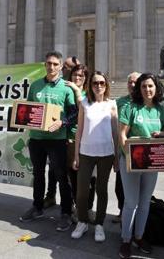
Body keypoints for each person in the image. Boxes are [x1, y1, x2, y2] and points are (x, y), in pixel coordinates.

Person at [118, 73, 164, 259]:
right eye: (144, 86)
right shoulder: (130, 107)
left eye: (150, 86)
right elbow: (122, 134)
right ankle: (126, 240)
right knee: (131, 202)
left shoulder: (162, 111)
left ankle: (139, 236)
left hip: (151, 162)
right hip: (131, 160)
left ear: (157, 88)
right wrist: (130, 155)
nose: (147, 89)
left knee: (144, 202)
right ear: (139, 89)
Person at [19, 51, 77, 232]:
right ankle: (37, 207)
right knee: (38, 174)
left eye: (54, 64)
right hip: (36, 139)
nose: (51, 67)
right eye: (48, 63)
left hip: (57, 140)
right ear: (45, 65)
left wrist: (63, 122)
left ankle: (66, 213)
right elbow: (28, 110)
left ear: (60, 67)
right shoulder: (35, 85)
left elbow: (74, 113)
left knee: (61, 176)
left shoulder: (66, 88)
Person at [71, 71, 119, 242]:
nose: (98, 86)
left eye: (102, 83)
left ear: (106, 85)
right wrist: (76, 155)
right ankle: (82, 221)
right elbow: (80, 131)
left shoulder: (112, 104)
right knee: (82, 191)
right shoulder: (84, 103)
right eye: (95, 83)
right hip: (86, 153)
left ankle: (99, 224)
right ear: (90, 86)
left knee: (102, 190)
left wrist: (117, 156)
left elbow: (115, 131)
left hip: (106, 153)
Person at [44, 55, 81, 208]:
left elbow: (76, 112)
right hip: (59, 137)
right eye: (64, 66)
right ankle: (51, 195)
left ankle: (75, 204)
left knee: (71, 173)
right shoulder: (59, 85)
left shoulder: (77, 87)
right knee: (53, 169)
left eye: (68, 67)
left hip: (73, 137)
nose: (64, 69)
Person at [65, 64, 97, 222]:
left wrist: (77, 90)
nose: (77, 78)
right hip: (69, 140)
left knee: (90, 179)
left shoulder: (90, 94)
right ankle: (76, 207)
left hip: (88, 141)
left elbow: (83, 109)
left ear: (86, 78)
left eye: (81, 76)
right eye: (75, 75)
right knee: (73, 178)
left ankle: (88, 207)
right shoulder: (65, 90)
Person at [113, 71, 140, 223]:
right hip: (123, 149)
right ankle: (122, 211)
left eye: (135, 82)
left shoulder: (144, 101)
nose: (132, 85)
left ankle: (135, 214)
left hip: (139, 149)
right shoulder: (120, 102)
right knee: (120, 185)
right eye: (130, 82)